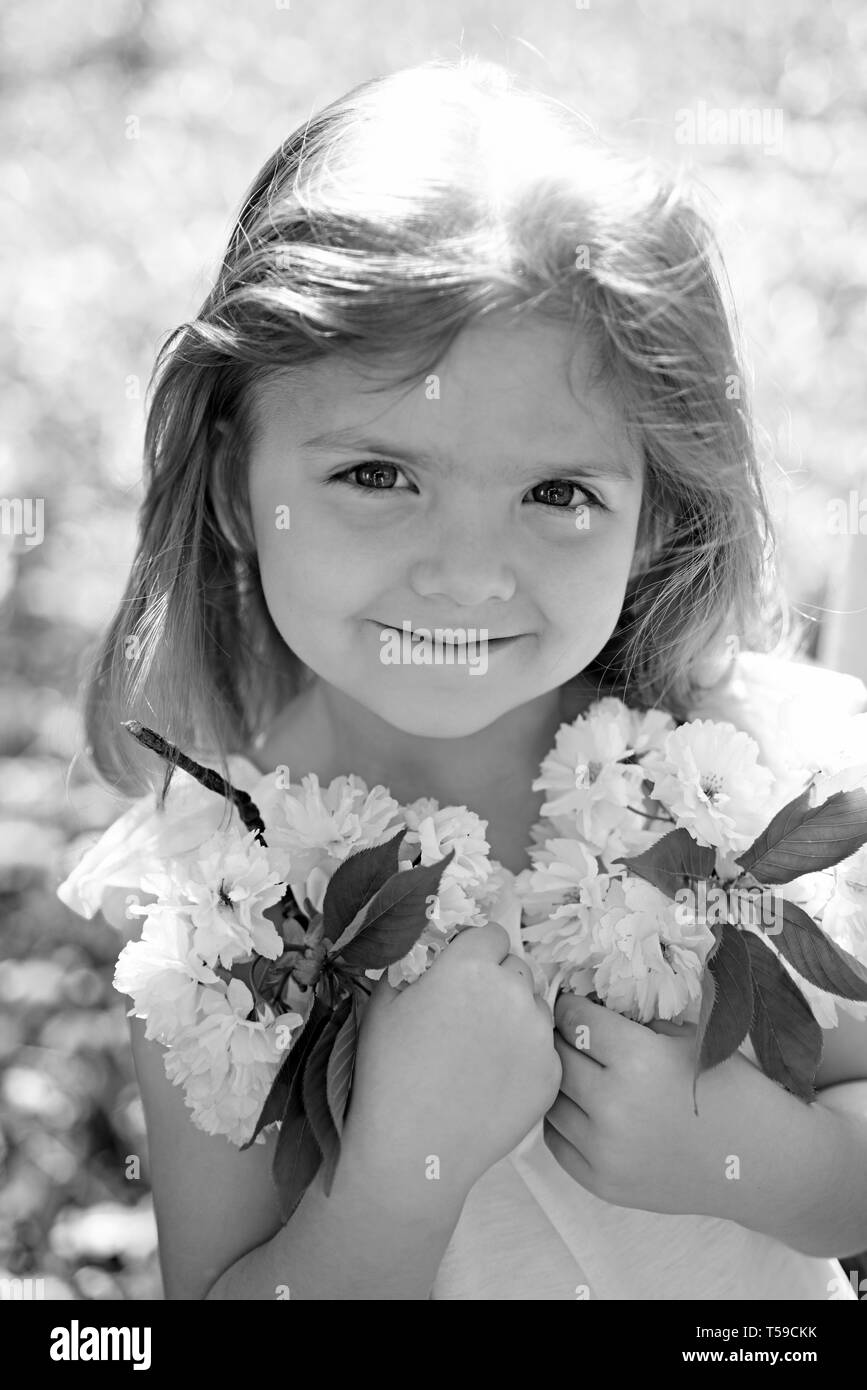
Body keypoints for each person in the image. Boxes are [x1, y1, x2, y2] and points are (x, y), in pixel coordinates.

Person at [57, 57, 867, 1300]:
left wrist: (752, 1159)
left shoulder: (738, 789)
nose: (467, 577)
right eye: (379, 474)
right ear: (233, 483)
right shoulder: (217, 909)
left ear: (652, 516)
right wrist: (397, 1172)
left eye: (558, 493)